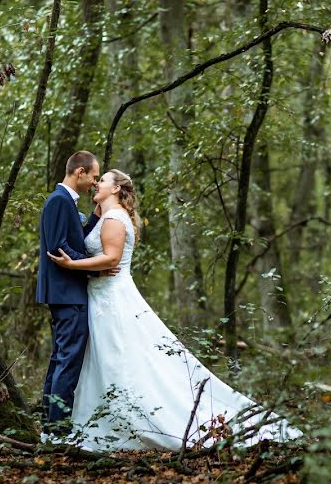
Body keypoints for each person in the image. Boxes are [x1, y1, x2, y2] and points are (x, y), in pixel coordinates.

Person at [47, 168, 303, 451]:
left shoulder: (115, 218)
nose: (97, 183)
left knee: (123, 358)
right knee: (104, 360)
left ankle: (131, 424)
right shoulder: (104, 216)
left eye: (103, 180)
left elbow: (111, 259)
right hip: (99, 297)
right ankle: (100, 423)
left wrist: (71, 266)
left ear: (117, 188)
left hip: (113, 299)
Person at [36, 151, 117, 441]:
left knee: (61, 358)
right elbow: (60, 248)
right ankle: (58, 430)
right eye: (94, 177)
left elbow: (75, 239)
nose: (95, 183)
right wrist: (93, 271)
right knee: (68, 359)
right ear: (80, 172)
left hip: (64, 291)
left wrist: (95, 217)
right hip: (67, 291)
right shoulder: (59, 200)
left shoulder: (65, 202)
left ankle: (49, 426)